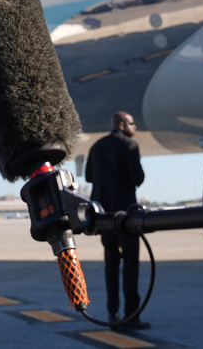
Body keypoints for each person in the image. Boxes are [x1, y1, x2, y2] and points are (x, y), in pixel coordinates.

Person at [85, 111, 150, 329]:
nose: (135, 128)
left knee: (111, 262)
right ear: (122, 124)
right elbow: (137, 178)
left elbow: (88, 177)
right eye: (132, 124)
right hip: (125, 215)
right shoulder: (129, 146)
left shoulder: (96, 146)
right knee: (130, 262)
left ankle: (112, 313)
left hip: (103, 215)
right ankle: (131, 315)